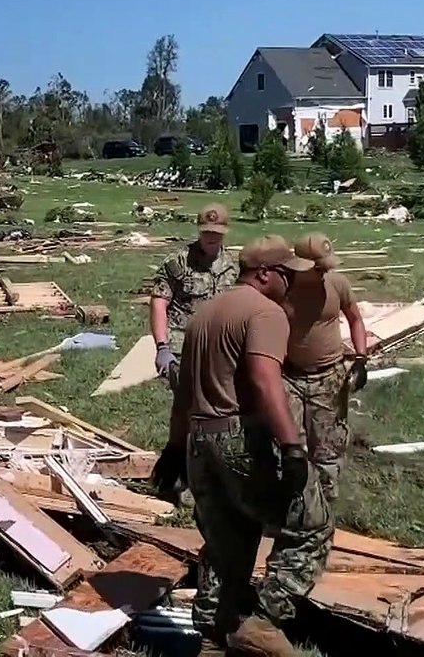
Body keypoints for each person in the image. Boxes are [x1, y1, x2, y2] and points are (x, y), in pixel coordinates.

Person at [151, 235, 333, 656]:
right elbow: (263, 379)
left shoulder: (204, 314)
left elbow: (183, 392)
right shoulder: (265, 313)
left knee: (226, 540)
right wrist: (291, 445)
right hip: (240, 435)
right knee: (312, 524)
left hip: (200, 439)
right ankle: (264, 622)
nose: (291, 284)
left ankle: (214, 636)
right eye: (287, 275)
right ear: (265, 274)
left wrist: (175, 447)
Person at [284, 233, 368, 504]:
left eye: (326, 267)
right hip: (289, 376)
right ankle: (293, 504)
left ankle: (326, 506)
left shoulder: (337, 284)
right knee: (289, 445)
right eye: (318, 268)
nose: (324, 272)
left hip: (329, 376)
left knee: (328, 448)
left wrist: (361, 358)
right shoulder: (282, 288)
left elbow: (355, 319)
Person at [150, 203, 239, 389]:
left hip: (221, 349)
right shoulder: (178, 263)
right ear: (199, 230)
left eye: (216, 232)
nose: (211, 237)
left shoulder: (233, 267)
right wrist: (162, 347)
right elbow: (159, 302)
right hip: (183, 347)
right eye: (206, 232)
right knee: (186, 407)